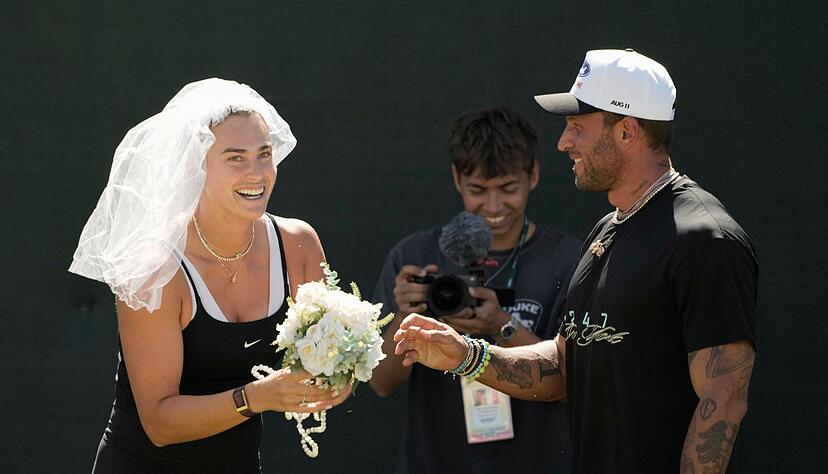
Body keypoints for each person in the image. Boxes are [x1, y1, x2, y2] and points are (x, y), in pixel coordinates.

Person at [392, 49, 758, 473]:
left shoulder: (704, 239)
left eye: (577, 127)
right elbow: (565, 367)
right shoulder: (607, 230)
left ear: (627, 131)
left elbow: (725, 398)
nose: (563, 143)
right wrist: (466, 355)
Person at [69, 78, 350, 473]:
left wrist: (338, 374)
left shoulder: (299, 244)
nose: (257, 173)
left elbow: (330, 360)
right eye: (235, 158)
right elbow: (159, 423)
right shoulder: (154, 266)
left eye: (264, 154)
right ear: (194, 167)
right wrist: (256, 397)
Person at [370, 107, 582, 473]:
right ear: (457, 179)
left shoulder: (569, 260)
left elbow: (571, 380)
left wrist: (500, 325)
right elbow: (381, 382)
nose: (494, 206)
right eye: (478, 190)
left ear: (533, 175)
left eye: (508, 189)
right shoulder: (415, 257)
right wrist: (407, 315)